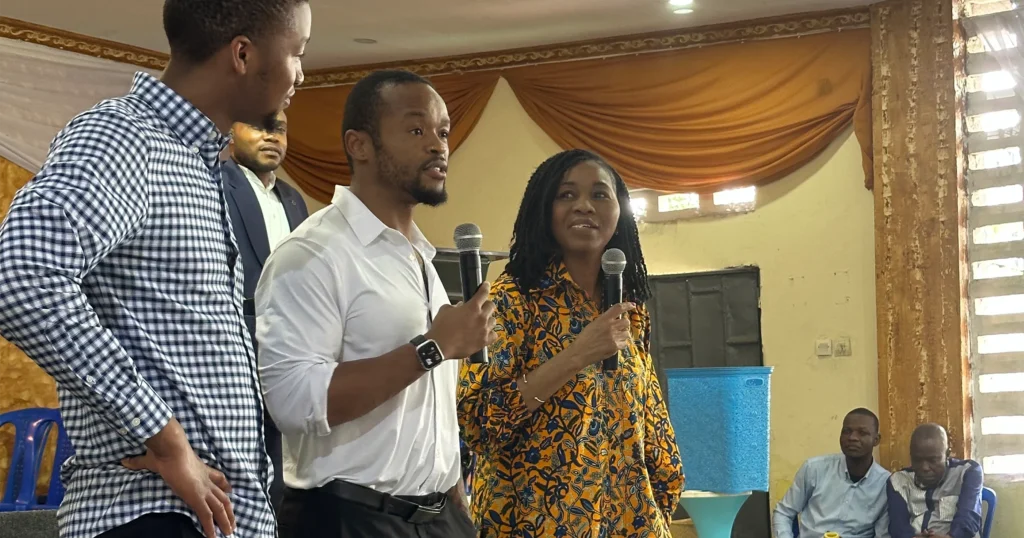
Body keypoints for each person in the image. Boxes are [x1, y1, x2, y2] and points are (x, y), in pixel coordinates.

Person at [0, 1, 310, 537]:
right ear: (242, 53)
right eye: (297, 53)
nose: (300, 74)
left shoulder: (202, 163)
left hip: (209, 512)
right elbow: (21, 274)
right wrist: (164, 437)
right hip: (150, 511)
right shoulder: (125, 138)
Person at [253, 69, 490, 538]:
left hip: (440, 516)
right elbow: (292, 400)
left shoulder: (419, 258)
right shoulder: (314, 254)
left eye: (443, 131)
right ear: (359, 145)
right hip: (351, 518)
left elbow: (426, 413)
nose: (439, 145)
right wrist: (431, 348)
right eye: (417, 129)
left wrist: (453, 505)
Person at [457, 149, 685, 538]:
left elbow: (651, 423)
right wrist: (577, 354)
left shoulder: (628, 308)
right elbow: (479, 423)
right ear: (543, 209)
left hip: (630, 524)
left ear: (620, 210)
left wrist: (661, 498)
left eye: (599, 195)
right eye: (566, 195)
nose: (584, 206)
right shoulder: (511, 301)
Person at [223, 110, 309, 512]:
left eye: (279, 129)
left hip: (293, 345)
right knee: (246, 478)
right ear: (231, 130)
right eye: (259, 127)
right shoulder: (214, 185)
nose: (271, 137)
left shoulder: (293, 199)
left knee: (287, 477)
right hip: (235, 346)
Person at [772, 408, 890, 538]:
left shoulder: (886, 484)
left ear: (876, 440)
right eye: (847, 431)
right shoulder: (814, 469)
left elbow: (882, 535)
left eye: (862, 433)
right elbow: (783, 512)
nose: (852, 438)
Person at [886, 424, 984, 538]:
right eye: (917, 460)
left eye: (933, 460)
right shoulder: (899, 480)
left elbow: (969, 518)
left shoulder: (968, 472)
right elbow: (897, 526)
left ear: (947, 454)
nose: (925, 468)